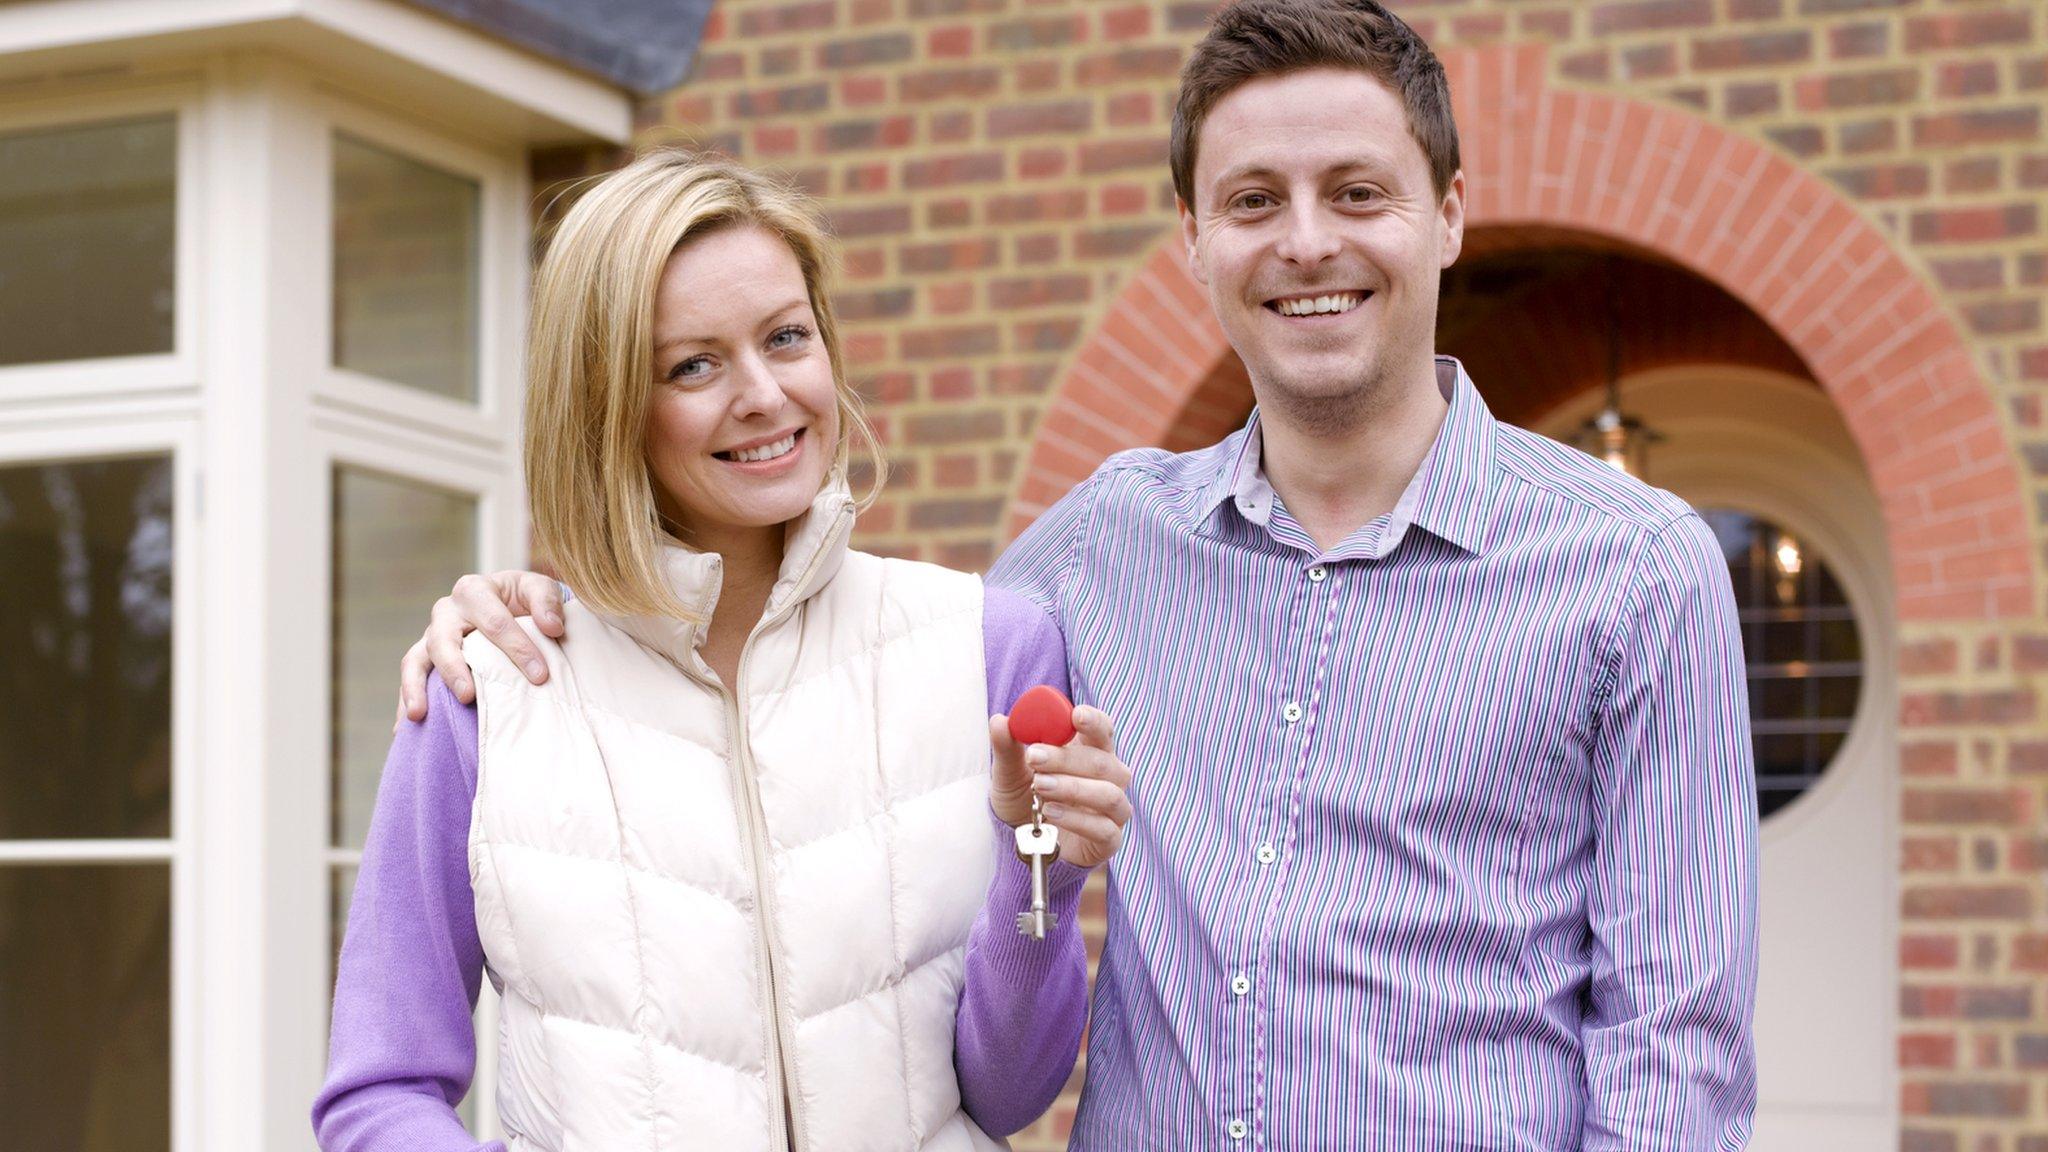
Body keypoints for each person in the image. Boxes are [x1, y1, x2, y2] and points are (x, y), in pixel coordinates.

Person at [398, 1, 1760, 1147]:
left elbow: (1672, 1052)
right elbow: (827, 646)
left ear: (1449, 213)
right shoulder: (1096, 554)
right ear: (1192, 238)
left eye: (1357, 193)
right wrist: (536, 609)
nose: (1305, 242)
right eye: (1251, 202)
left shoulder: (1636, 572)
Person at [315, 150, 1134, 1151]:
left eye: (785, 339)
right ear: (607, 403)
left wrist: (1034, 861)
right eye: (691, 364)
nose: (761, 394)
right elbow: (379, 1092)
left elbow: (1009, 1095)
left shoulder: (987, 646)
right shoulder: (486, 691)